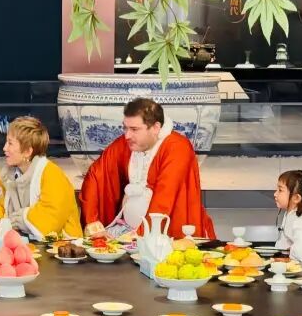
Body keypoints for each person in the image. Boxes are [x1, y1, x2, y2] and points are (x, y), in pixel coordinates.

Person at [79, 98, 215, 239]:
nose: (127, 135)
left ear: (156, 128)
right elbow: (96, 175)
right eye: (125, 128)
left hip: (166, 236)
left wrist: (137, 238)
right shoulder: (128, 143)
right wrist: (92, 222)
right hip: (127, 231)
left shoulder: (177, 147)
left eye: (134, 129)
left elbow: (164, 199)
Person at [0, 116, 82, 240]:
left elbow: (49, 221)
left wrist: (12, 222)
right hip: (19, 247)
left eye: (10, 143)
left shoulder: (53, 176)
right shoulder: (4, 176)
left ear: (27, 151)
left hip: (63, 248)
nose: (4, 148)